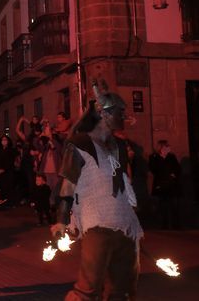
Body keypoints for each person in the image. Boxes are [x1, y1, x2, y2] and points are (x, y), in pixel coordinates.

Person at [53, 81, 142, 301]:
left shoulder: (120, 146)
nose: (124, 116)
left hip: (125, 224)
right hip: (96, 223)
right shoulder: (79, 144)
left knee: (123, 289)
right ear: (104, 114)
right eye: (120, 112)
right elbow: (67, 186)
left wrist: (133, 209)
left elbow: (123, 180)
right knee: (89, 288)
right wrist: (61, 221)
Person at [148, 140, 181, 229]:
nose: (169, 148)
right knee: (162, 205)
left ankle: (175, 225)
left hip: (171, 184)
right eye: (166, 146)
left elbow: (177, 168)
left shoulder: (171, 157)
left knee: (174, 205)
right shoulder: (154, 157)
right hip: (160, 185)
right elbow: (153, 169)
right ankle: (164, 225)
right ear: (161, 148)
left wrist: (174, 174)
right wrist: (166, 173)